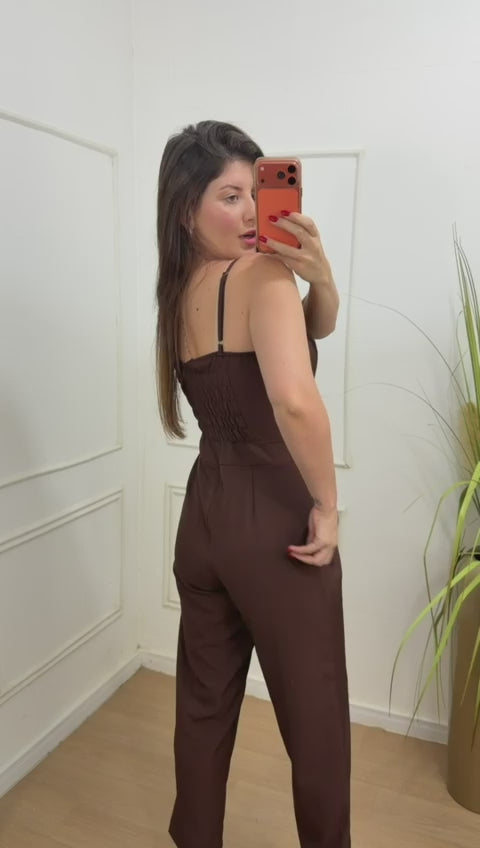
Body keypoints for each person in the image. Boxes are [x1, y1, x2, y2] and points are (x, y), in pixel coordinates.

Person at [155, 120, 350, 848]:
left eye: (253, 194)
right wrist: (327, 505)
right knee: (316, 717)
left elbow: (313, 330)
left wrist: (320, 278)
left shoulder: (179, 291)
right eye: (228, 196)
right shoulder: (260, 277)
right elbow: (294, 401)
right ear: (187, 209)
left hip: (203, 517)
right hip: (273, 520)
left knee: (203, 706)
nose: (247, 213)